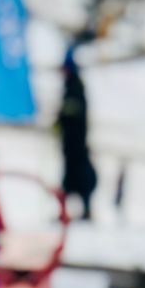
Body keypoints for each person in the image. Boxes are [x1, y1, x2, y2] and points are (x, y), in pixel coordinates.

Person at [57, 48, 97, 220]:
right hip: (70, 144)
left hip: (76, 144)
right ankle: (66, 209)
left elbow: (73, 114)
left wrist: (62, 119)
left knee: (79, 178)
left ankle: (83, 209)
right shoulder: (70, 86)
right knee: (70, 178)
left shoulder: (75, 87)